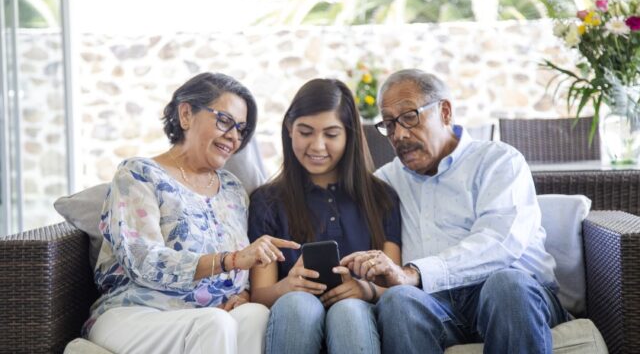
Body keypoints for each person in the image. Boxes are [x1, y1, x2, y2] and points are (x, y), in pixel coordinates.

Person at [341, 69, 570, 353]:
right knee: (398, 301)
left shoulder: (499, 161)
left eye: (409, 117)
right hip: (438, 306)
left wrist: (415, 273)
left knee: (506, 284)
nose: (399, 134)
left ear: (445, 112)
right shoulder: (387, 181)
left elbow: (499, 243)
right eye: (389, 124)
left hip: (515, 296)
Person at [82, 72, 299, 354]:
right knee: (214, 323)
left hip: (209, 315)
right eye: (225, 121)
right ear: (186, 114)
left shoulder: (233, 190)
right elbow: (142, 261)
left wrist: (242, 294)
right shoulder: (138, 174)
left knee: (255, 315)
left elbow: (240, 273)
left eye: (241, 129)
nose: (233, 137)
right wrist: (231, 260)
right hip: (135, 312)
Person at [248, 78, 402, 354]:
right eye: (305, 132)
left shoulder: (381, 198)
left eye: (331, 134)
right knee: (297, 303)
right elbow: (260, 294)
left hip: (358, 319)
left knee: (349, 310)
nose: (317, 146)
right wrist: (287, 287)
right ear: (289, 130)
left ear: (349, 135)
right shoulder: (267, 202)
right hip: (293, 316)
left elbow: (395, 287)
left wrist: (364, 290)